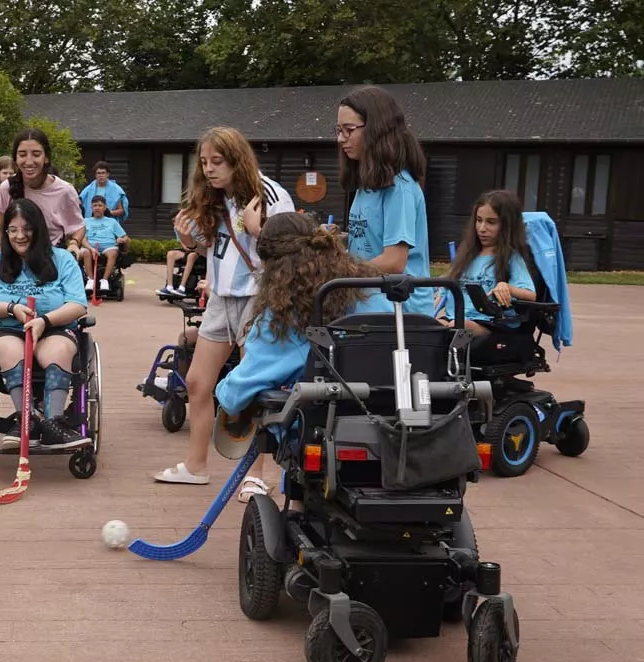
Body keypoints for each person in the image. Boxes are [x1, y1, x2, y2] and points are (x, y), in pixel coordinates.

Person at [153, 126, 294, 492]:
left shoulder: (271, 194)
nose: (209, 169)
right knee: (199, 383)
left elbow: (292, 250)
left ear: (237, 160)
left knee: (257, 388)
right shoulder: (215, 197)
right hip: (221, 298)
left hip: (259, 297)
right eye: (204, 162)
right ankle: (195, 465)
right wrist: (188, 239)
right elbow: (212, 247)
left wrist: (258, 230)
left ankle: (256, 475)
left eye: (217, 161)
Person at [214, 212, 393, 471]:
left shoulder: (285, 316)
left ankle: (298, 506)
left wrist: (223, 391)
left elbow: (238, 393)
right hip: (390, 420)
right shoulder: (368, 292)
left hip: (325, 429)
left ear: (271, 268)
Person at [0, 199, 91, 450]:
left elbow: (78, 304)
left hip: (52, 327)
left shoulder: (62, 260)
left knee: (59, 350)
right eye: (12, 230)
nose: (19, 236)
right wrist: (12, 309)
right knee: (9, 349)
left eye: (27, 229)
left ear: (39, 230)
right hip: (7, 329)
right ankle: (27, 419)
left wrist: (44, 321)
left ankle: (53, 423)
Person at [337, 85, 433, 316]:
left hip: (400, 312)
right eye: (338, 130)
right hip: (369, 303)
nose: (341, 139)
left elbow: (394, 261)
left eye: (349, 129)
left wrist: (338, 270)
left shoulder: (400, 187)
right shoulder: (367, 184)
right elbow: (371, 242)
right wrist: (338, 240)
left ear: (377, 130)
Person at [440, 189, 536, 339]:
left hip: (491, 324)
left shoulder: (511, 257)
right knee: (423, 326)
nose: (482, 228)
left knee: (455, 327)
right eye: (479, 220)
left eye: (491, 222)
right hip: (455, 318)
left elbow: (531, 295)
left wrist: (507, 287)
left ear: (507, 225)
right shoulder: (466, 257)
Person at [0, 128, 86, 260]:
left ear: (46, 157)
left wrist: (74, 244)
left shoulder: (65, 191)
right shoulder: (7, 188)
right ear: (15, 159)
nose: (29, 161)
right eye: (22, 155)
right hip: (14, 265)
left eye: (36, 154)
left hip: (51, 263)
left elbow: (78, 226)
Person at [80, 195, 129, 293]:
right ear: (91, 208)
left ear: (105, 207)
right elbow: (82, 239)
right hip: (90, 247)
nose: (97, 208)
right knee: (85, 252)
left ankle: (105, 280)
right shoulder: (85, 221)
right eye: (95, 205)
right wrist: (91, 248)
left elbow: (125, 237)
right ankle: (90, 279)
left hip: (108, 247)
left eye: (100, 205)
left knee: (113, 253)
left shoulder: (112, 222)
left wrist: (121, 239)